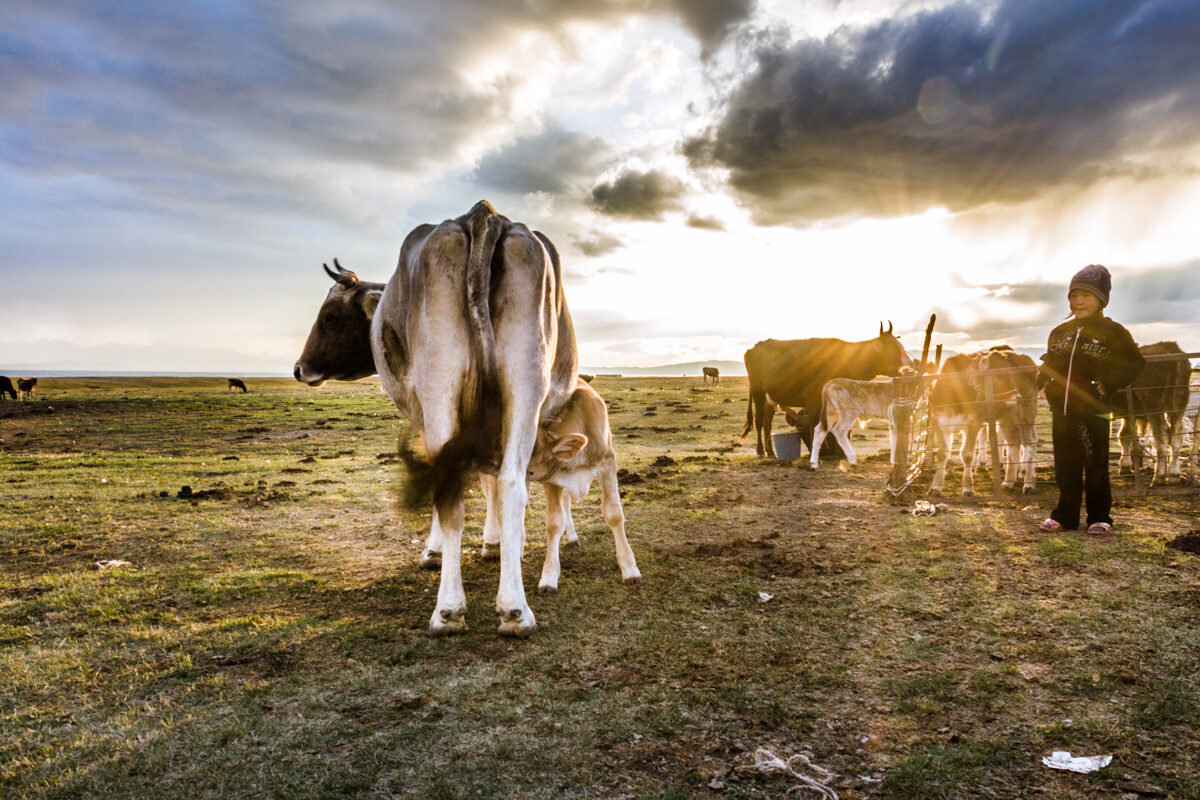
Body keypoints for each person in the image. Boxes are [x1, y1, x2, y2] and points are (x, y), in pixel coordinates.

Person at [1036, 264, 1144, 534]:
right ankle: (1065, 516)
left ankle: (1099, 517)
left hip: (1096, 409)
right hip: (1062, 409)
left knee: (1096, 463)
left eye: (1086, 295)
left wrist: (1109, 383)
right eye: (1074, 295)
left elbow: (1134, 363)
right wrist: (1043, 381)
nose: (1078, 301)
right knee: (1065, 464)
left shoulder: (1114, 333)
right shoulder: (1060, 333)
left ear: (1101, 299)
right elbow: (1051, 362)